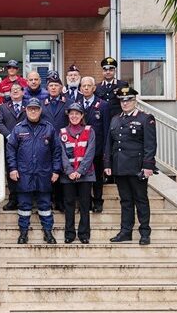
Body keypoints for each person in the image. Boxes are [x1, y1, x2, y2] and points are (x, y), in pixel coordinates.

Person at [104, 87, 157, 246]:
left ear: (134, 101)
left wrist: (148, 166)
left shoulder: (145, 118)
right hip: (120, 166)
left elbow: (150, 145)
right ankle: (125, 231)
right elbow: (109, 143)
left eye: (128, 100)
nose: (125, 103)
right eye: (122, 100)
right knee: (125, 200)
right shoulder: (115, 119)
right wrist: (108, 163)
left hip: (137, 167)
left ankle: (145, 232)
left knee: (141, 199)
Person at [7, 98, 62, 244]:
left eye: (36, 109)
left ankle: (48, 232)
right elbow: (11, 150)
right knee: (24, 206)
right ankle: (23, 233)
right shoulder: (18, 128)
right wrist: (12, 168)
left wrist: (56, 170)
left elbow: (56, 151)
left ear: (40, 110)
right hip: (24, 174)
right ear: (26, 110)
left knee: (45, 205)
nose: (33, 111)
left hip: (44, 173)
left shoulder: (48, 128)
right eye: (30, 108)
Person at [59, 103, 96, 244]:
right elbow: (61, 153)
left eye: (77, 113)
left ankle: (84, 233)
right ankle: (69, 233)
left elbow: (90, 152)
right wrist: (69, 171)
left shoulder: (89, 130)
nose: (74, 116)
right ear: (68, 116)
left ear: (82, 116)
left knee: (85, 205)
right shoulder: (62, 132)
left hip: (86, 175)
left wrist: (80, 171)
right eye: (71, 114)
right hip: (68, 175)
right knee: (69, 204)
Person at [78, 76, 110, 213]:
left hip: (97, 148)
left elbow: (107, 128)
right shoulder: (76, 103)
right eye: (83, 86)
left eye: (88, 86)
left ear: (94, 88)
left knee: (97, 177)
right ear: (80, 89)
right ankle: (86, 202)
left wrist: (105, 150)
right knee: (83, 178)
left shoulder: (103, 105)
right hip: (80, 149)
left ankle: (98, 201)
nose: (86, 88)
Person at [0, 82, 28, 211]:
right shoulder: (4, 107)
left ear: (23, 92)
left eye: (17, 89)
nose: (14, 91)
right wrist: (9, 135)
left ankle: (24, 199)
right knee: (11, 172)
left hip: (27, 144)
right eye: (12, 89)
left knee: (25, 172)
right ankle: (13, 200)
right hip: (10, 145)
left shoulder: (28, 106)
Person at [41, 71, 70, 212]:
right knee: (48, 172)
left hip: (64, 143)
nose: (53, 88)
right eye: (51, 85)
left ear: (61, 87)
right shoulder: (41, 104)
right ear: (47, 88)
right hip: (46, 143)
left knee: (62, 173)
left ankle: (60, 201)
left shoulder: (69, 103)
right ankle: (49, 200)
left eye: (56, 85)